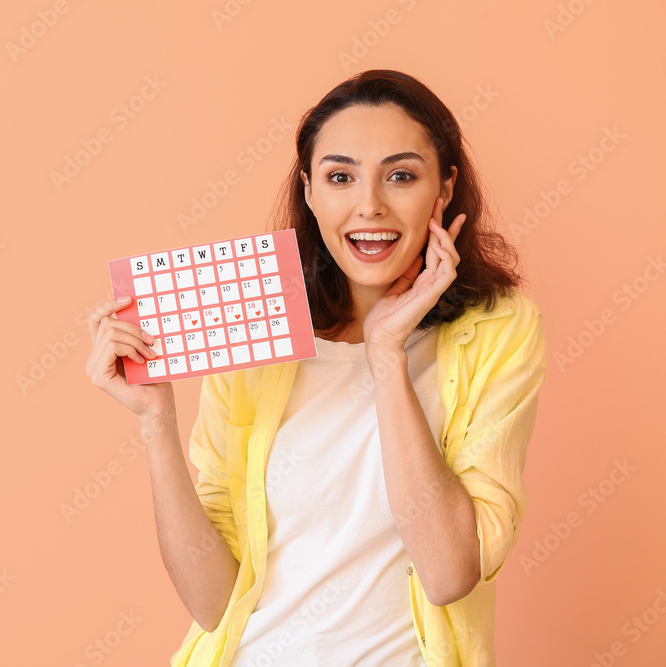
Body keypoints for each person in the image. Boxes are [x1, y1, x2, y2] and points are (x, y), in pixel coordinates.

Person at [85, 69, 546, 666]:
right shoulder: (254, 326)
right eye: (340, 177)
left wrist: (386, 356)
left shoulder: (498, 330)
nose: (369, 205)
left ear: (445, 187)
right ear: (308, 190)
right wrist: (155, 421)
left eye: (401, 175)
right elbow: (213, 605)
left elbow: (449, 571)